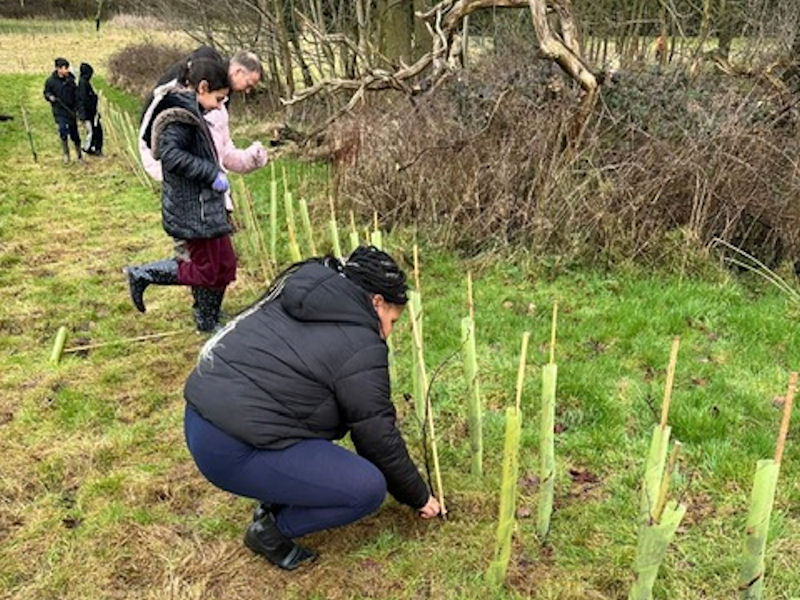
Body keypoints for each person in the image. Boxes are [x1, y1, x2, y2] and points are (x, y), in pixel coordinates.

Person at [183, 247, 442, 570]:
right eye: (392, 320)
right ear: (376, 302)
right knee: (366, 489)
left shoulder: (301, 294)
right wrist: (419, 496)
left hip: (199, 419)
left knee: (318, 433)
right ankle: (270, 532)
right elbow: (376, 435)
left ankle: (274, 499)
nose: (389, 331)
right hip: (231, 448)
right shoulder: (361, 343)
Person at [124, 58, 234, 332]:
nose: (221, 105)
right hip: (191, 209)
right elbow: (170, 156)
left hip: (206, 204)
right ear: (203, 87)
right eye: (219, 98)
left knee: (225, 263)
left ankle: (208, 317)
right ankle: (144, 274)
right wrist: (211, 174)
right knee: (205, 268)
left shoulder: (193, 109)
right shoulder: (176, 115)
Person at [43, 57, 82, 164]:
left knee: (75, 134)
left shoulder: (71, 80)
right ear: (58, 69)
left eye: (67, 68)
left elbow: (76, 96)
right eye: (65, 68)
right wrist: (50, 97)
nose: (67, 70)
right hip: (59, 111)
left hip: (71, 110)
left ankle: (79, 155)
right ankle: (66, 154)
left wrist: (78, 109)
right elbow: (46, 92)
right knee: (63, 130)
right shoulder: (50, 81)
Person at [76, 62, 103, 156]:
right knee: (92, 131)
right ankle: (88, 148)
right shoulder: (83, 83)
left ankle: (93, 147)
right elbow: (85, 100)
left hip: (89, 112)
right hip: (88, 113)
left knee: (96, 130)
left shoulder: (84, 82)